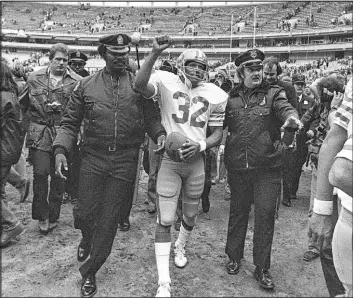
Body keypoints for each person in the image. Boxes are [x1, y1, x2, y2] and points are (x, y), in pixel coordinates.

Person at [53, 33, 166, 298]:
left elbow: (152, 118)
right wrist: (60, 150)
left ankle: (90, 271)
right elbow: (69, 123)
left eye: (124, 53)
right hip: (93, 157)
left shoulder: (139, 85)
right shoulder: (86, 86)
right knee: (84, 212)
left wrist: (159, 134)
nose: (121, 58)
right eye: (115, 54)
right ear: (103, 54)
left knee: (109, 219)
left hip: (125, 160)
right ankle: (85, 237)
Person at [133, 36, 228, 297]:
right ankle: (164, 282)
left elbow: (217, 134)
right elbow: (139, 84)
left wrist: (200, 146)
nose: (197, 70)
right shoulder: (165, 81)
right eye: (192, 64)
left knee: (190, 216)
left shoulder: (217, 94)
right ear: (180, 64)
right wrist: (153, 54)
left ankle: (181, 246)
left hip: (196, 161)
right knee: (164, 218)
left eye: (201, 66)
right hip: (170, 161)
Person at [223, 49, 302, 290]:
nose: (257, 73)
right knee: (238, 213)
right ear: (241, 72)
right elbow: (219, 126)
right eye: (251, 69)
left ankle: (262, 267)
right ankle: (234, 257)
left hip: (268, 168)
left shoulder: (274, 93)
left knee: (265, 216)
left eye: (259, 68)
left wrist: (292, 119)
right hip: (238, 167)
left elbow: (286, 109)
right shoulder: (231, 98)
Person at [18, 43, 82, 234]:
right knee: (39, 174)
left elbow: (80, 111)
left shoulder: (77, 81)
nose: (62, 63)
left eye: (65, 60)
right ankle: (42, 215)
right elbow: (23, 106)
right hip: (39, 133)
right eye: (58, 59)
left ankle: (53, 215)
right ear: (50, 59)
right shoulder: (34, 78)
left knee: (59, 176)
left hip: (63, 133)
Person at [301, 73, 346, 294]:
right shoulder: (326, 106)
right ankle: (315, 246)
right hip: (323, 167)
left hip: (339, 177)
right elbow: (324, 133)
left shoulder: (337, 108)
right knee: (317, 211)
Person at [0, 62, 26, 247]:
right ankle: (20, 182)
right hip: (9, 148)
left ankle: (11, 224)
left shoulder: (2, 98)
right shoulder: (10, 94)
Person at [282, 74, 316, 207]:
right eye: (297, 84)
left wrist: (312, 130)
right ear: (293, 85)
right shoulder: (286, 100)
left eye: (302, 84)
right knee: (287, 166)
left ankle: (292, 190)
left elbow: (315, 118)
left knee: (297, 166)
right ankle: (287, 194)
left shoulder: (310, 101)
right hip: (288, 137)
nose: (300, 87)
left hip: (302, 139)